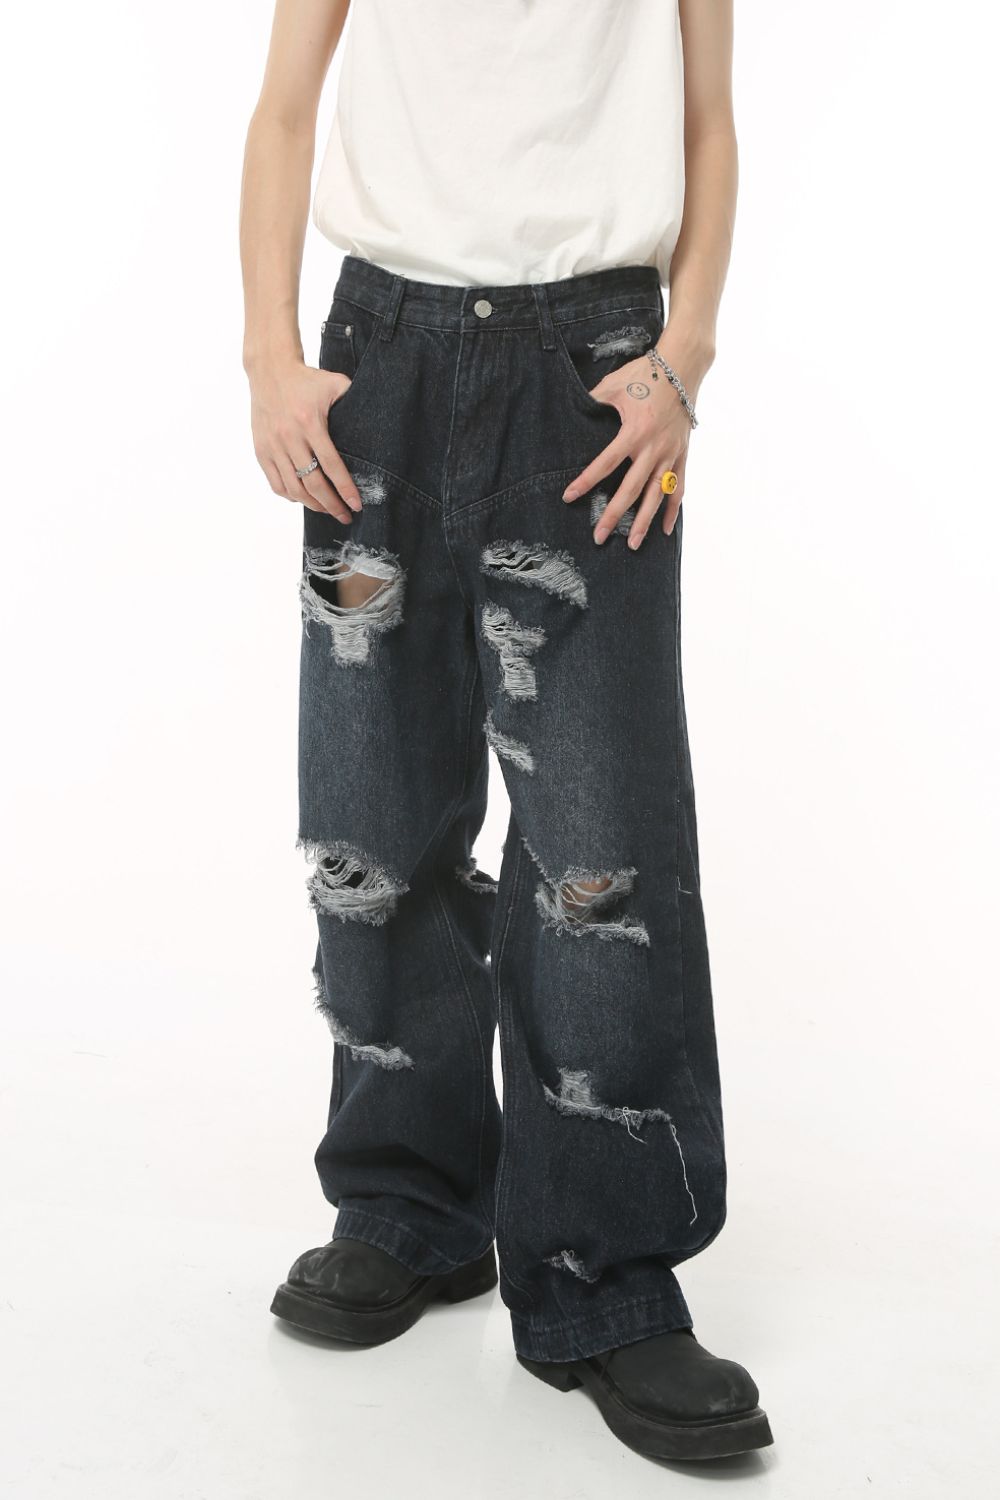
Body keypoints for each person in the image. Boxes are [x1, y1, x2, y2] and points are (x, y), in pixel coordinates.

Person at [239, 0, 772, 1463]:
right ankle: (410, 1203)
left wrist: (687, 350)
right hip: (380, 361)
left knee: (602, 846)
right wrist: (269, 353)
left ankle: (605, 1274)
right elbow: (284, 107)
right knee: (373, 821)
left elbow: (708, 118)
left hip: (593, 372)